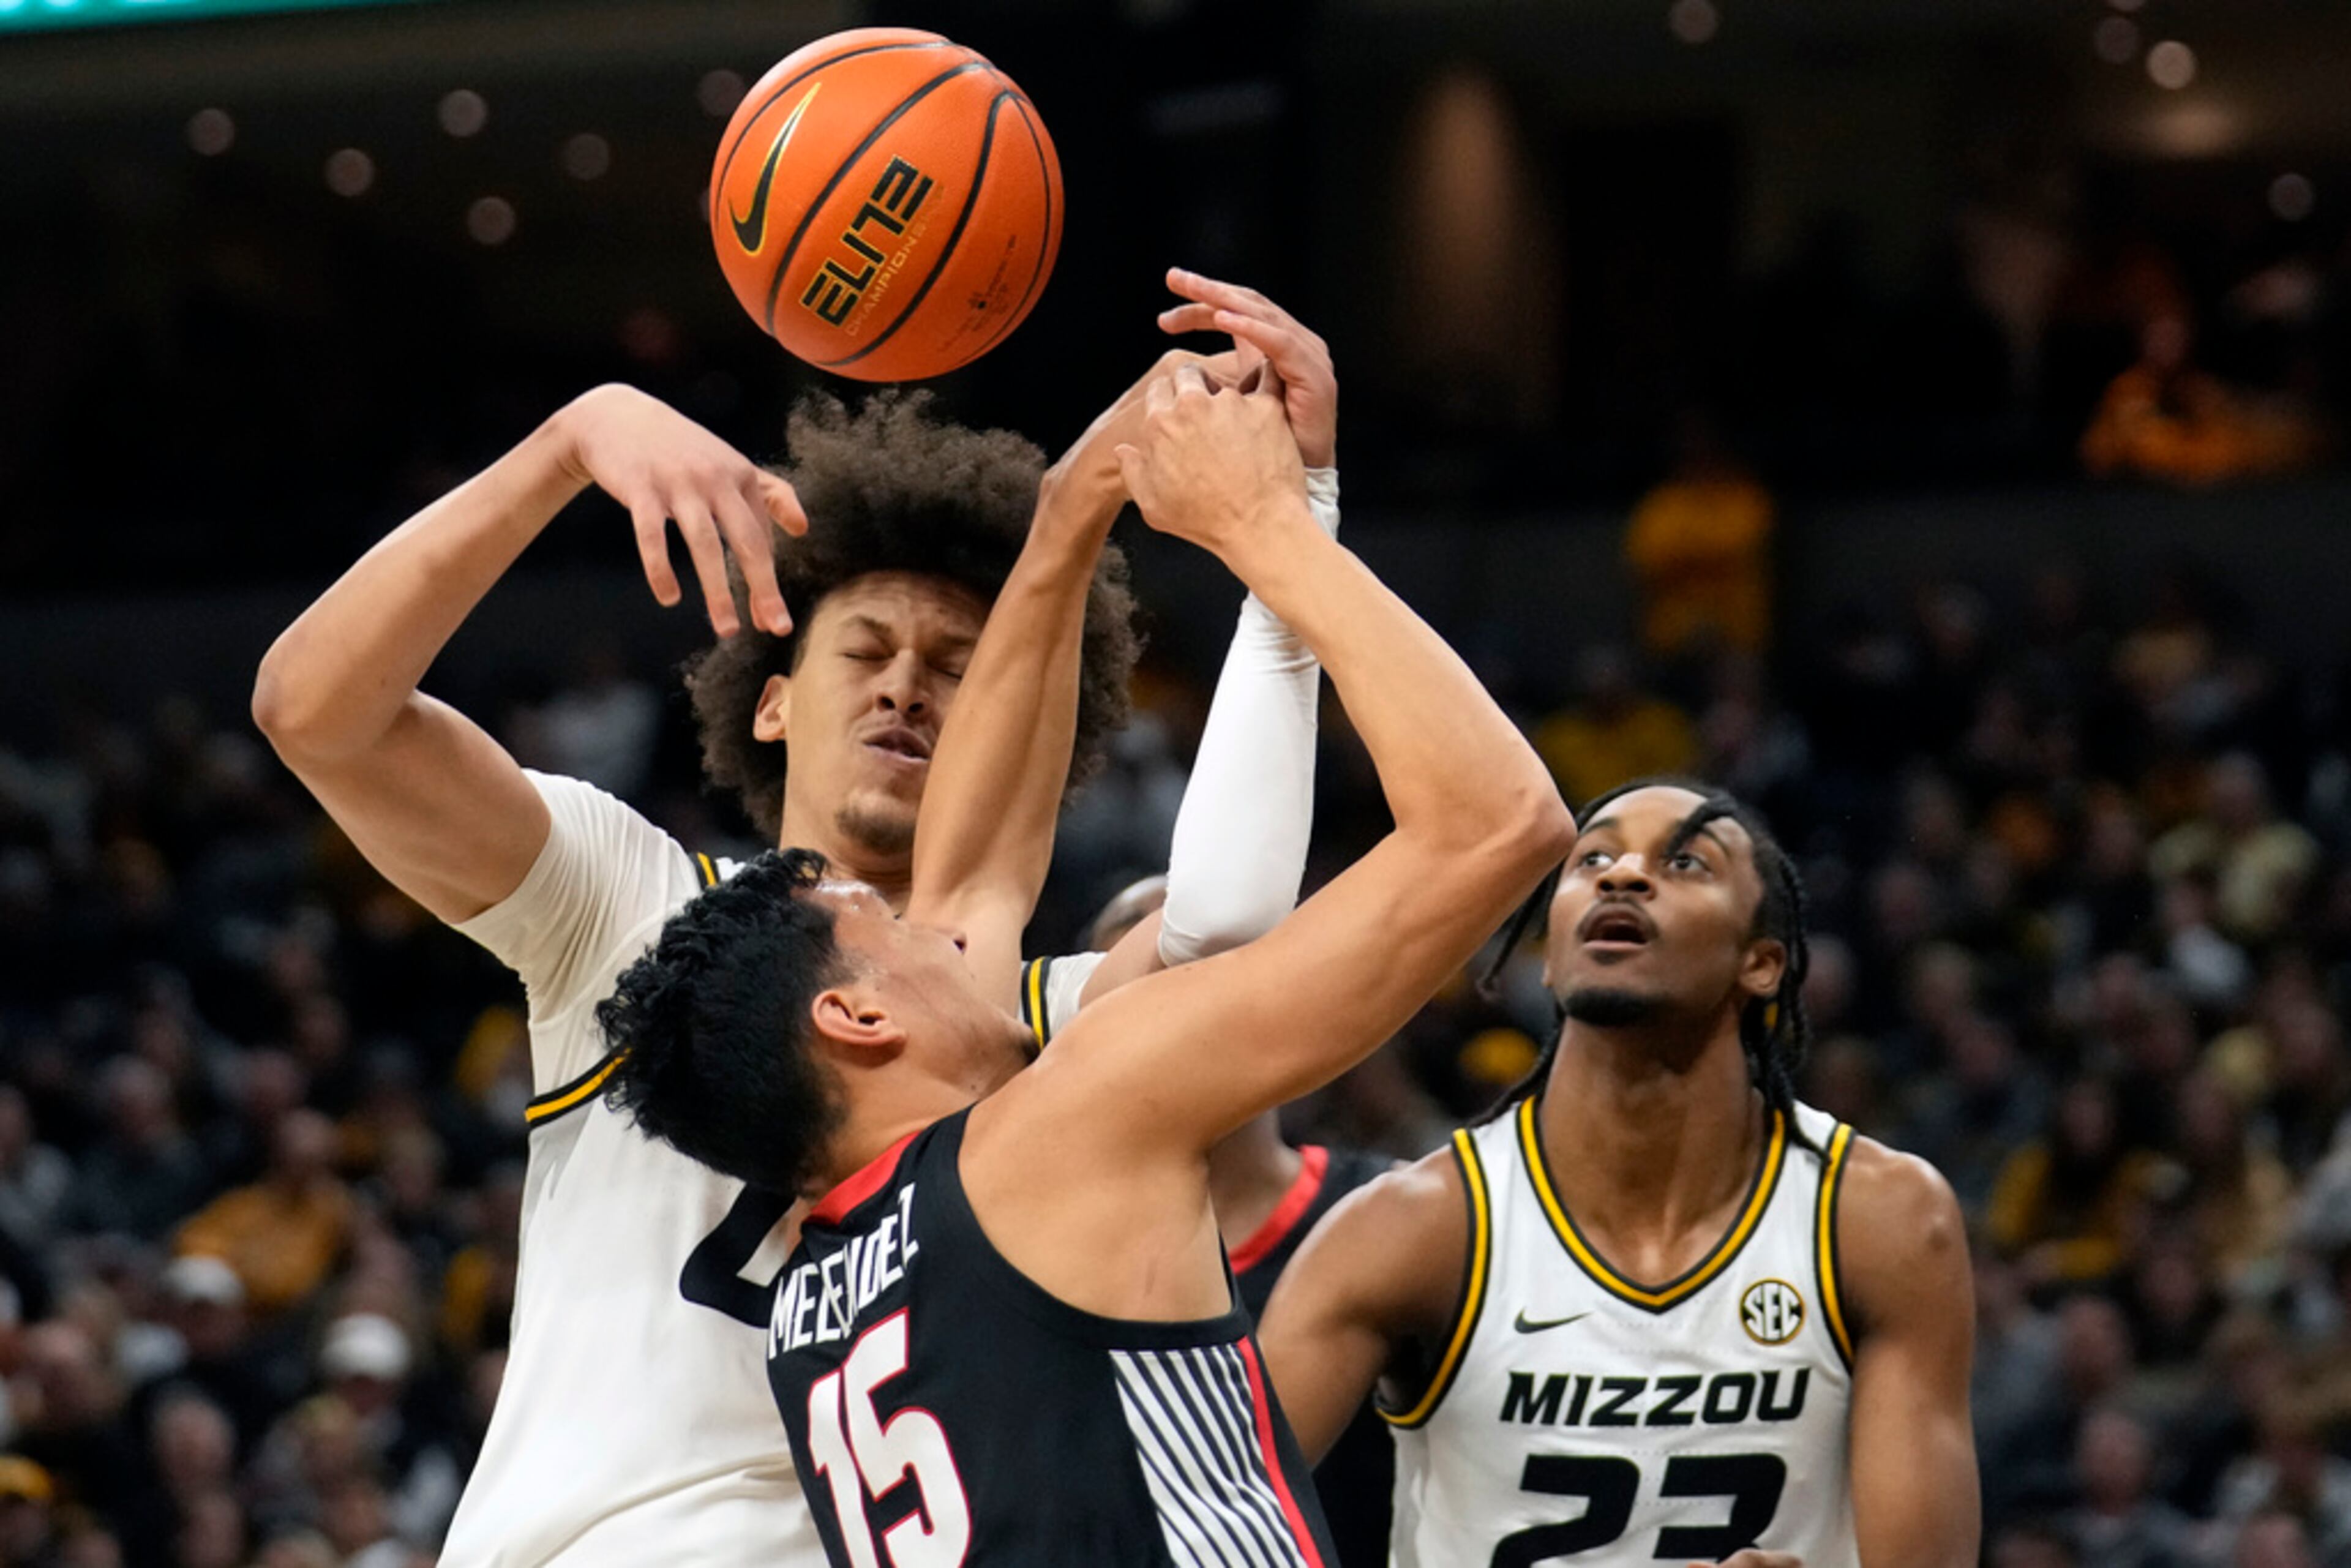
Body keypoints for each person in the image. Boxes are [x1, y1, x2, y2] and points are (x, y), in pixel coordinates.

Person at [252, 268, 1343, 1562]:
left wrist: (1292, 518)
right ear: (769, 702)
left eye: (957, 667)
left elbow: (1226, 919)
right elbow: (318, 710)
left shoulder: (1030, 1018)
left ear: (1031, 720)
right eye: (866, 648)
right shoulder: (635, 902)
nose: (907, 689)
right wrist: (566, 444)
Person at [599, 363, 1574, 1562]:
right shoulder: (1067, 1123)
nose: (946, 924)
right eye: (897, 927)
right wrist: (1268, 522)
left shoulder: (813, 1301)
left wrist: (1081, 500)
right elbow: (1502, 824)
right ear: (856, 1014)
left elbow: (977, 870)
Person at [1258, 778, 1979, 1567]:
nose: (1624, 874)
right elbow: (1198, 1520)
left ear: (1763, 963)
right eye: (1591, 857)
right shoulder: (1415, 1228)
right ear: (1551, 956)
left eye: (1687, 863)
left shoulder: (1878, 1220)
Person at [1082, 879, 1397, 1566]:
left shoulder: (1397, 1215)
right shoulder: (1036, 1251)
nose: (1181, 970)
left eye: (1213, 955)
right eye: (1149, 950)